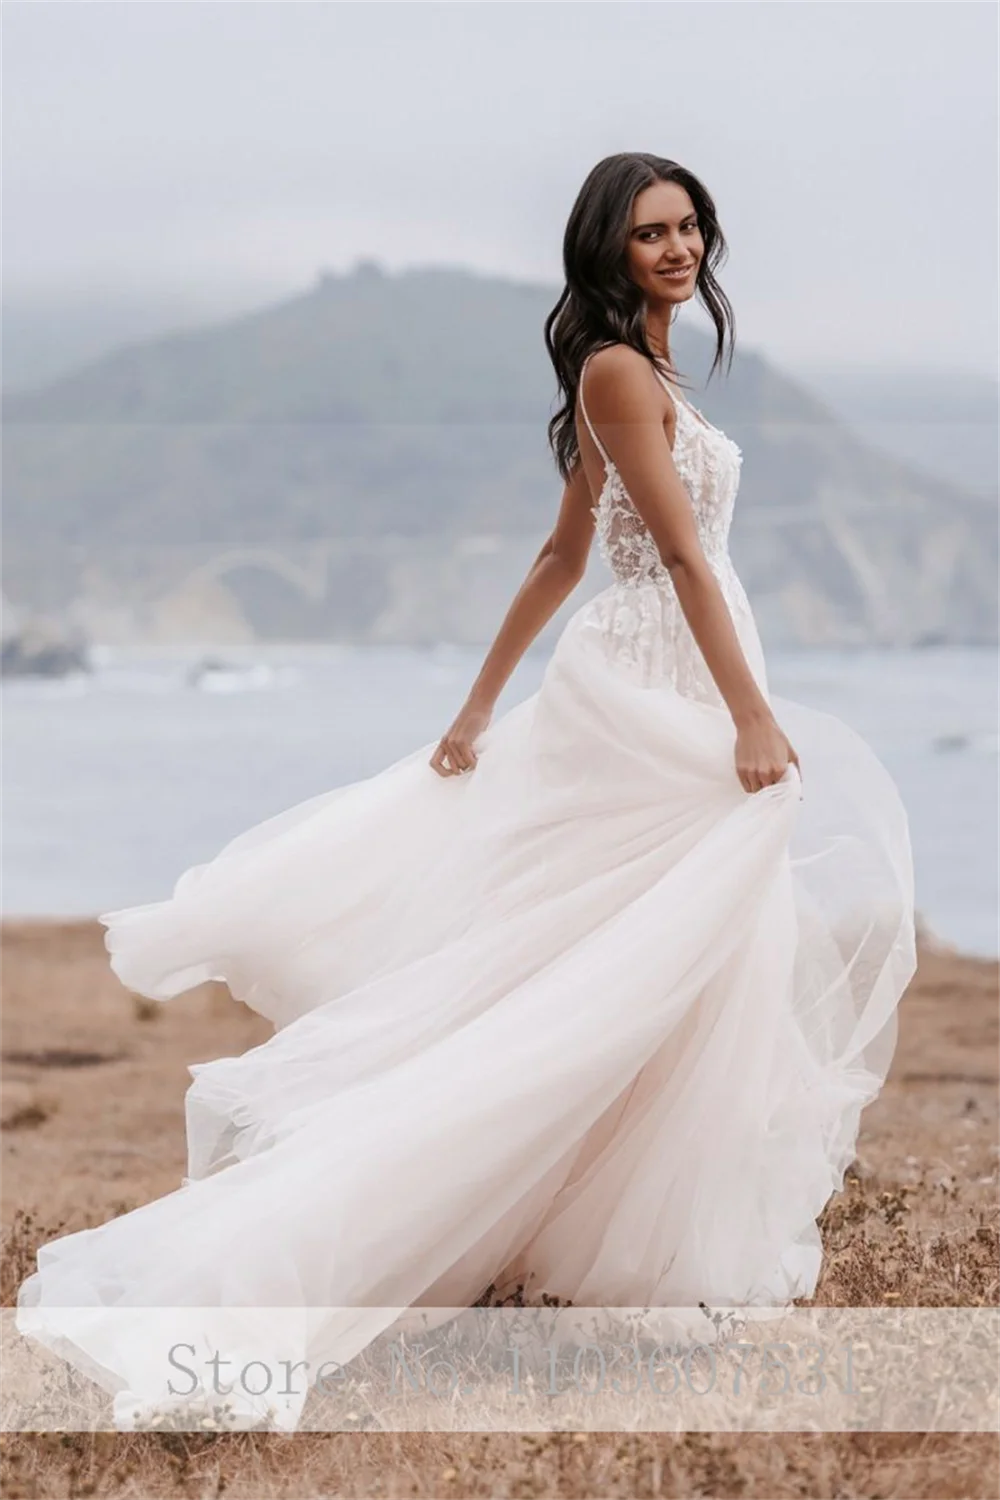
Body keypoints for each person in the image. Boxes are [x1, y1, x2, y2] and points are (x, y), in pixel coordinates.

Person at [16, 152, 915, 1432]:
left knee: (675, 974)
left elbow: (561, 553)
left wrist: (481, 703)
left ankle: (583, 1249)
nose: (677, 247)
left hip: (677, 676)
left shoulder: (647, 376)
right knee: (600, 980)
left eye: (688, 226)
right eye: (649, 232)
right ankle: (318, 1255)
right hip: (661, 698)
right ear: (607, 253)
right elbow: (663, 554)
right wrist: (746, 714)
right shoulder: (614, 370)